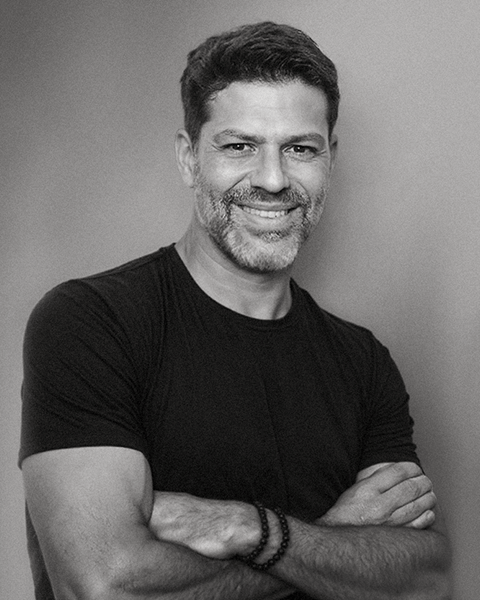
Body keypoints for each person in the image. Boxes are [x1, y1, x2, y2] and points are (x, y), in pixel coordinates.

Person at [20, 21, 451, 600]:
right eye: (239, 146)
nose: (272, 180)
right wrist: (332, 535)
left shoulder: (363, 362)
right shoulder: (91, 323)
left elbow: (423, 578)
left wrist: (243, 526)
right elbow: (104, 586)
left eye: (300, 149)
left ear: (330, 159)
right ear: (189, 159)